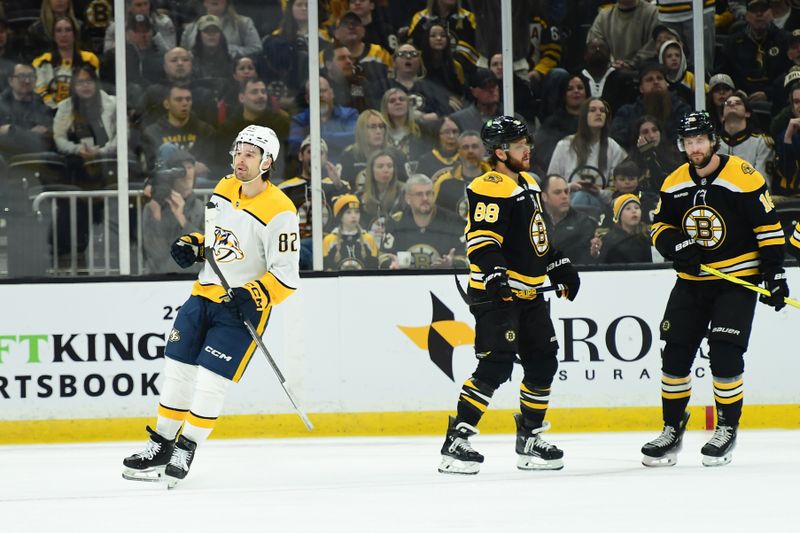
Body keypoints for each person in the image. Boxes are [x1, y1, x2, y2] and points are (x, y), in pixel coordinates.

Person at [122, 125, 300, 486]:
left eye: (251, 153)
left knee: (210, 383)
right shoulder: (223, 188)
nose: (241, 158)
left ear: (267, 161)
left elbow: (286, 275)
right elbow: (219, 242)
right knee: (177, 372)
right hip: (204, 295)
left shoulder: (281, 210)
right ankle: (161, 446)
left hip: (241, 310)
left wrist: (254, 294)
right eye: (239, 150)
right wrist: (194, 244)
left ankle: (186, 445)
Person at [642, 111, 788, 468]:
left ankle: (726, 427)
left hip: (735, 283)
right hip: (691, 284)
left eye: (700, 141)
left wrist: (774, 274)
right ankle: (672, 429)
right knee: (674, 357)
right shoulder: (675, 182)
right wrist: (677, 246)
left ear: (713, 141)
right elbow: (659, 227)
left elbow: (768, 229)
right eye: (689, 142)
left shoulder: (743, 177)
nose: (695, 148)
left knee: (724, 356)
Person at [438, 116, 580, 475]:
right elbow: (482, 240)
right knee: (496, 364)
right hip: (496, 294)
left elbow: (538, 236)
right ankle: (457, 440)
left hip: (530, 292)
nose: (526, 149)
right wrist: (496, 274)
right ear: (500, 152)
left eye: (525, 143)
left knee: (543, 361)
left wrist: (559, 265)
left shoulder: (529, 183)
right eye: (518, 145)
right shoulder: (489, 186)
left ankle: (530, 437)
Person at [280, 135, 351, 270]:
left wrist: (338, 186)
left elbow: (351, 211)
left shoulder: (338, 185)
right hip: (299, 246)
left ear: (326, 158)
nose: (315, 156)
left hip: (331, 244)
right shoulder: (285, 188)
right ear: (301, 156)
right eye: (310, 152)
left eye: (320, 153)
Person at [548, 97, 628, 210]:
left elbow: (617, 190)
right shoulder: (564, 145)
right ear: (584, 115)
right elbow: (551, 184)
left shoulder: (614, 147)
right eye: (593, 110)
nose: (598, 113)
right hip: (567, 201)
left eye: (602, 110)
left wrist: (599, 192)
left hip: (601, 205)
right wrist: (570, 187)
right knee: (581, 196)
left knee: (583, 197)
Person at [379, 173, 465, 269]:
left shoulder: (453, 222)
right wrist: (391, 264)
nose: (425, 198)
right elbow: (382, 258)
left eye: (428, 193)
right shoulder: (395, 223)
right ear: (408, 198)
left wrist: (451, 263)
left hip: (443, 282)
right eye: (419, 194)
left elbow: (466, 259)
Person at [141, 146, 204, 274]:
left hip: (193, 280)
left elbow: (205, 252)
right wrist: (157, 217)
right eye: (181, 169)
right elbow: (155, 254)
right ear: (172, 175)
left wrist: (182, 219)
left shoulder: (202, 208)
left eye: (190, 167)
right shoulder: (153, 208)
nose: (187, 173)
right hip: (158, 282)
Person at [52, 65, 117, 187]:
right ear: (73, 86)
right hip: (77, 158)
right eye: (80, 82)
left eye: (89, 81)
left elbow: (122, 136)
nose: (85, 86)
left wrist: (101, 151)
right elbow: (59, 137)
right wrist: (77, 149)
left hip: (108, 156)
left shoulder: (113, 104)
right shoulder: (65, 107)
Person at [718, 0, 791, 98]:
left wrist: (769, 94)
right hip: (739, 98)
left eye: (763, 10)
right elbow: (722, 75)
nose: (759, 14)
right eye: (754, 10)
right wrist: (735, 92)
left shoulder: (784, 40)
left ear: (771, 12)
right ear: (747, 15)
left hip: (775, 99)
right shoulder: (733, 43)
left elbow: (790, 74)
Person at [33, 15, 100, 109]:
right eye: (59, 30)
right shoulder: (42, 61)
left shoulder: (89, 59)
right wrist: (56, 108)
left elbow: (95, 89)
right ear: (53, 35)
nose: (63, 34)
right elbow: (40, 91)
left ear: (74, 34)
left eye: (68, 30)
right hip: (50, 112)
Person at [540, 173, 601, 265]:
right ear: (544, 197)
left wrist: (594, 253)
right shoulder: (532, 221)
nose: (564, 196)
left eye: (566, 191)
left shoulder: (583, 222)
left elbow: (587, 259)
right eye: (557, 192)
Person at [533, 75, 588, 173]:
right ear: (563, 95)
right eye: (570, 89)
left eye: (580, 88)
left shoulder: (593, 121)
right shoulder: (552, 123)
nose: (576, 91)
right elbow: (544, 156)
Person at [586, 0, 659, 72]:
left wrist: (632, 64)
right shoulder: (603, 16)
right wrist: (612, 64)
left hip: (643, 73)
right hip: (609, 74)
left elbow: (653, 45)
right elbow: (594, 44)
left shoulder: (652, 12)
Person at [433, 130, 490, 220]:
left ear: (483, 150)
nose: (470, 151)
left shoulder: (495, 182)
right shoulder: (445, 183)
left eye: (474, 146)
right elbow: (437, 217)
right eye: (465, 147)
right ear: (459, 152)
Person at [0, 63, 54, 155]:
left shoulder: (43, 108)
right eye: (21, 76)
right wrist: (30, 134)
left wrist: (12, 130)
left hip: (34, 157)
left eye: (31, 76)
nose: (27, 81)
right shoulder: (1, 104)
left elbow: (44, 140)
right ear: (10, 81)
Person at [180, 0, 261, 59]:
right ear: (204, 2)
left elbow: (257, 49)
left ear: (227, 2)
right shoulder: (190, 29)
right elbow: (181, 56)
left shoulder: (243, 23)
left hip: (232, 75)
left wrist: (230, 50)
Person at [322, 193, 379, 270]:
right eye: (348, 212)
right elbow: (326, 268)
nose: (354, 216)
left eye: (357, 212)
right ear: (340, 216)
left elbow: (374, 267)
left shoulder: (368, 239)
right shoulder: (329, 240)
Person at [629, 115, 683, 194]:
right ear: (637, 137)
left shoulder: (673, 155)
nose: (651, 135)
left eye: (654, 130)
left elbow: (664, 184)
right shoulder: (631, 161)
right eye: (645, 132)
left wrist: (648, 154)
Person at [598, 193, 653, 264]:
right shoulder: (609, 240)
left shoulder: (648, 236)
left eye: (637, 208)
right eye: (628, 208)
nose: (634, 211)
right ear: (619, 215)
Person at [190, 15, 232, 80]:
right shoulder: (190, 60)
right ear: (199, 35)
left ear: (221, 35)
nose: (212, 34)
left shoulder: (230, 60)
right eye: (207, 31)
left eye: (215, 30)